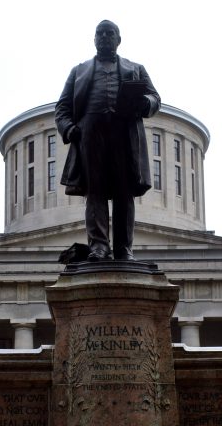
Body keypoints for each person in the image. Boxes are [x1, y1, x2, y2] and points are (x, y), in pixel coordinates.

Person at [55, 20, 160, 262]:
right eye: (99, 34)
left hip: (124, 135)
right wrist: (69, 129)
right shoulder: (78, 71)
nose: (104, 37)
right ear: (94, 40)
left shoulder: (136, 69)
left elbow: (155, 97)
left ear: (118, 39)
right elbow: (61, 108)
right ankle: (99, 247)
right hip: (90, 136)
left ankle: (124, 248)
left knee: (124, 192)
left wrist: (146, 103)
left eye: (109, 33)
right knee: (95, 191)